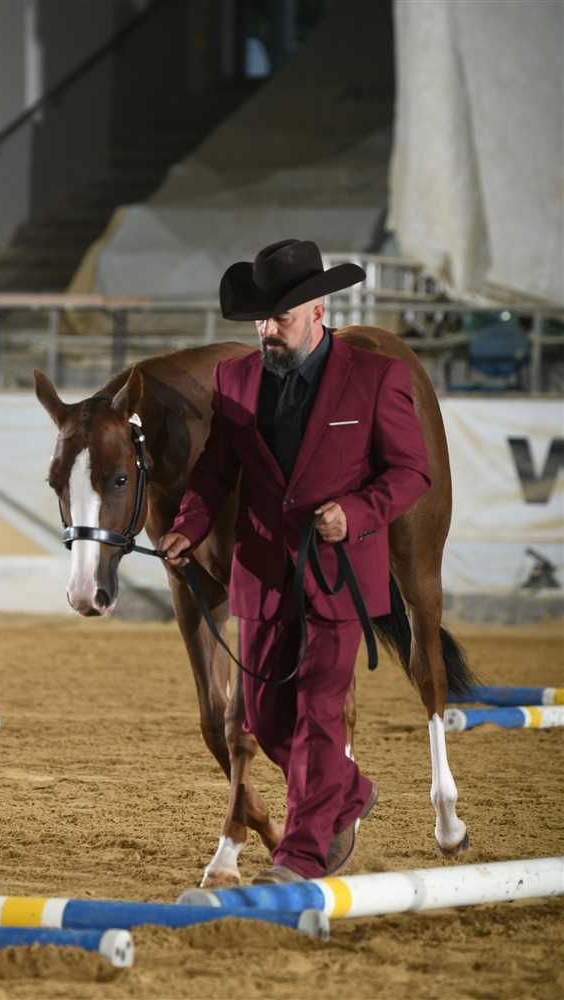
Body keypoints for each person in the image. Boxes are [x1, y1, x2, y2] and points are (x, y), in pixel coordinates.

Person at [159, 239, 431, 884]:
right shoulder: (235, 380)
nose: (266, 330)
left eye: (279, 317)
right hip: (260, 575)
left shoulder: (376, 378)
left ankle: (299, 858)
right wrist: (188, 527)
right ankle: (350, 791)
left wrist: (356, 513)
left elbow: (410, 472)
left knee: (318, 714)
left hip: (340, 577)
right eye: (260, 318)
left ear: (317, 310)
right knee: (266, 718)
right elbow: (215, 471)